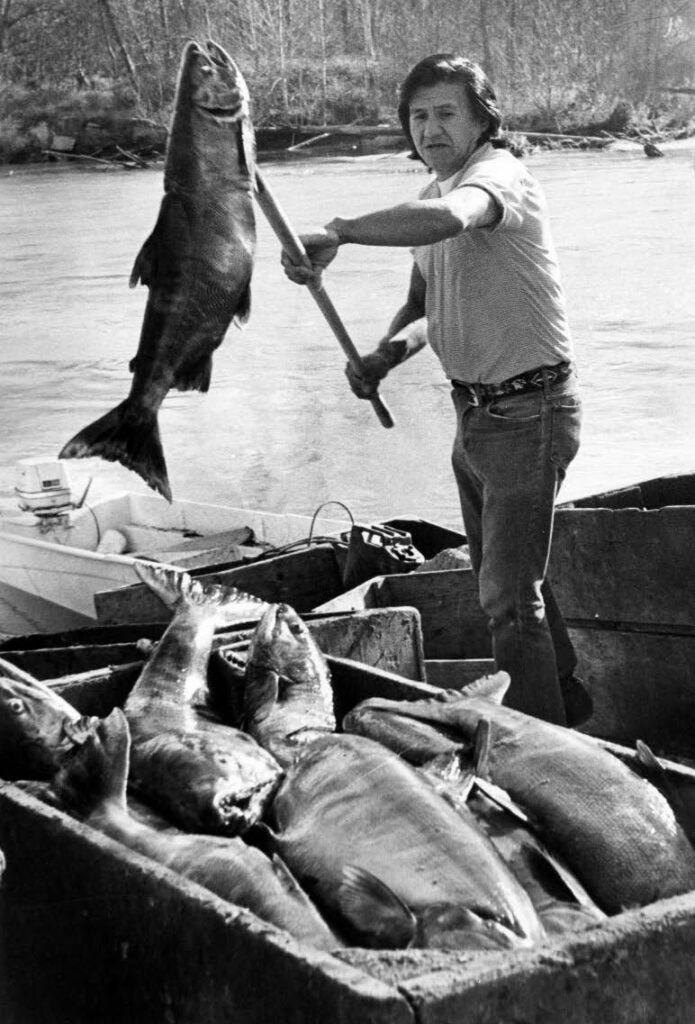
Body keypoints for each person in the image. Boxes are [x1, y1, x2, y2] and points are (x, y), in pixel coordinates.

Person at [281, 53, 590, 727]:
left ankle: (541, 745)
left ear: (484, 119)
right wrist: (382, 357)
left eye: (447, 112)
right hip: (475, 411)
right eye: (418, 115)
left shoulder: (495, 178)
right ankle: (564, 697)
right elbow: (425, 307)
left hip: (530, 408)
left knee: (506, 598)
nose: (431, 127)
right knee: (508, 579)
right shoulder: (428, 196)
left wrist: (339, 232)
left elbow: (453, 218)